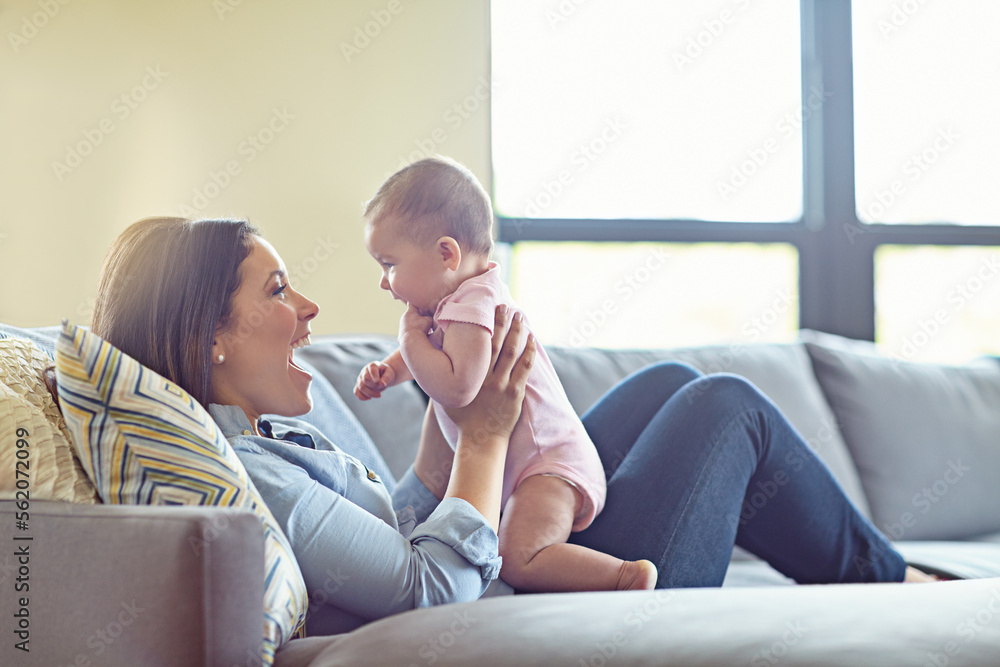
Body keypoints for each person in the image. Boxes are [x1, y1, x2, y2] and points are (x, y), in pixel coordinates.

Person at [90, 217, 933, 635]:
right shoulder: (256, 483)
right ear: (206, 334)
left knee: (668, 384)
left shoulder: (268, 446)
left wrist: (455, 420)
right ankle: (900, 591)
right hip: (530, 592)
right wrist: (487, 437)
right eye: (277, 292)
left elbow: (403, 525)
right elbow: (427, 587)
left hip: (509, 565)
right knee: (725, 410)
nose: (309, 308)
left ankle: (887, 580)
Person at [354, 156, 656, 592]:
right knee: (512, 551)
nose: (384, 282)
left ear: (446, 253)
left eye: (389, 264)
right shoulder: (459, 299)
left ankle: (626, 576)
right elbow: (436, 349)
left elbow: (459, 387)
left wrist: (409, 339)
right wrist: (392, 370)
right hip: (537, 466)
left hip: (548, 467)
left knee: (517, 559)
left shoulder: (473, 307)